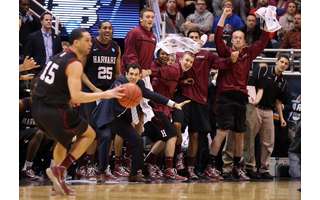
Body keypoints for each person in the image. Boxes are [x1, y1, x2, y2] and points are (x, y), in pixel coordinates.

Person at [31, 28, 125, 195]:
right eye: (87, 40)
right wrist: (105, 94)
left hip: (39, 108)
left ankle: (57, 183)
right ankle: (60, 169)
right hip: (53, 109)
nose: (91, 43)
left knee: (63, 140)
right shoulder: (74, 64)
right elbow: (76, 97)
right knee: (89, 134)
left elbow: (45, 82)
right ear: (76, 42)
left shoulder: (58, 56)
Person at [92, 64, 189, 182]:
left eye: (136, 75)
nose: (133, 77)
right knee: (106, 137)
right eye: (131, 74)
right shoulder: (120, 81)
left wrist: (173, 104)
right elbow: (119, 89)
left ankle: (134, 174)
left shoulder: (139, 85)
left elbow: (152, 95)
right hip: (106, 116)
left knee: (137, 141)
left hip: (120, 119)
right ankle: (101, 172)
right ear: (126, 74)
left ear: (139, 76)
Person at [209, 7, 272, 181]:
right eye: (234, 37)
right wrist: (223, 15)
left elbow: (264, 40)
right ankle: (211, 165)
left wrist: (267, 20)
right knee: (222, 131)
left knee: (239, 133)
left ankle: (238, 166)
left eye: (239, 37)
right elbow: (218, 34)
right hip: (224, 96)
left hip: (241, 96)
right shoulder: (225, 52)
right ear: (231, 41)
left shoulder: (249, 53)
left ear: (244, 41)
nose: (236, 39)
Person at [172, 29, 238, 180]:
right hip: (182, 97)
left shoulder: (207, 55)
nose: (194, 39)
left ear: (201, 40)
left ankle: (190, 167)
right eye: (191, 37)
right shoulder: (179, 55)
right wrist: (182, 81)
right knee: (176, 126)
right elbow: (172, 74)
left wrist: (231, 59)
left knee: (195, 135)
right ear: (187, 40)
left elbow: (221, 64)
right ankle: (179, 155)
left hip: (200, 100)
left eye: (196, 37)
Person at [79, 21, 122, 182]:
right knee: (92, 131)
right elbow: (81, 72)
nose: (107, 30)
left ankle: (103, 167)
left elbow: (117, 73)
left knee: (108, 134)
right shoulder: (91, 46)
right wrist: (94, 89)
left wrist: (120, 89)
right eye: (104, 27)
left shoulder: (116, 48)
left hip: (107, 95)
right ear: (99, 30)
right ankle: (87, 165)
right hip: (91, 93)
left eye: (110, 28)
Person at [144, 50, 194, 181]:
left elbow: (165, 78)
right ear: (180, 59)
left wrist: (182, 83)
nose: (188, 63)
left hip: (161, 108)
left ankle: (149, 163)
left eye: (191, 62)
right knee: (171, 135)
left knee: (164, 137)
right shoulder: (175, 69)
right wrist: (147, 72)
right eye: (186, 60)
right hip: (157, 108)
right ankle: (168, 169)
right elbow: (159, 72)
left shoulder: (178, 72)